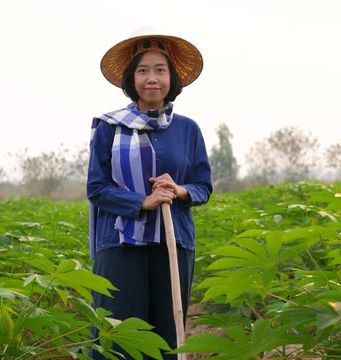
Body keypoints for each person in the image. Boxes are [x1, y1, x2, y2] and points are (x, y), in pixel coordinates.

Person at [87, 34, 212, 359]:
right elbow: (96, 188)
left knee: (168, 336)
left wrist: (179, 190)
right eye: (143, 71)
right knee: (118, 335)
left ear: (172, 79)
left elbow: (203, 185)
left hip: (174, 242)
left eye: (160, 70)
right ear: (132, 79)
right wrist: (142, 202)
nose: (152, 79)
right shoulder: (109, 128)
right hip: (120, 242)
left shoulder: (188, 130)